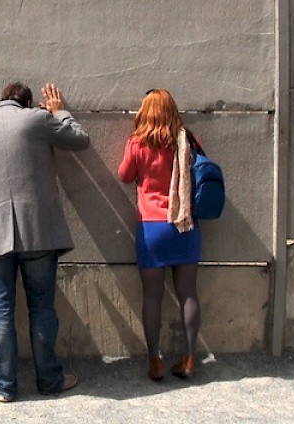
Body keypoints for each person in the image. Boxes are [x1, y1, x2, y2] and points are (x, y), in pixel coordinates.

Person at [0, 82, 89, 402]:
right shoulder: (38, 119)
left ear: (0, 100)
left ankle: (4, 386)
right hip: (38, 232)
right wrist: (58, 110)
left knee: (0, 311)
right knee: (42, 307)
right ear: (26, 103)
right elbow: (80, 139)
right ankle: (50, 380)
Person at [117, 88, 202, 381]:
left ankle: (155, 361)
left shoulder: (137, 142)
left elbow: (125, 175)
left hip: (152, 227)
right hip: (184, 224)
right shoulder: (186, 139)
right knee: (188, 293)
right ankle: (190, 358)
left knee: (152, 297)